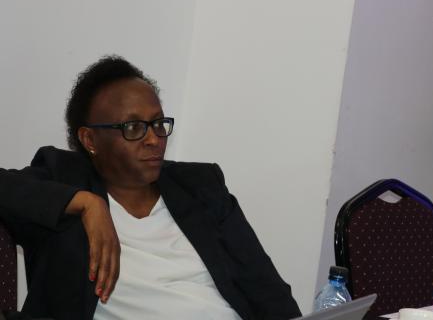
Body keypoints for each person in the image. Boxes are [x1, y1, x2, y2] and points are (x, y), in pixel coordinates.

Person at [0, 56, 301, 320]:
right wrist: (87, 204)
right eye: (133, 127)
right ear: (90, 140)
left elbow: (268, 292)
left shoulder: (201, 187)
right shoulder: (63, 178)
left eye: (158, 124)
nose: (154, 139)